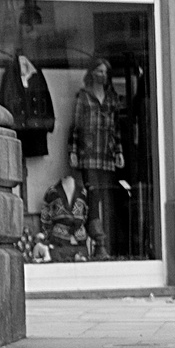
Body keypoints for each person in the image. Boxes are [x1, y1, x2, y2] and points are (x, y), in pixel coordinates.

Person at [68, 58, 123, 259]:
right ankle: (97, 238)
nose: (102, 75)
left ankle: (103, 240)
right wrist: (72, 151)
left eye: (105, 72)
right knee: (93, 193)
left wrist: (119, 151)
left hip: (106, 152)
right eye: (99, 71)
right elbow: (75, 126)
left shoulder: (111, 98)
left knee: (105, 194)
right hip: (89, 151)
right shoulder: (83, 96)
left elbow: (116, 128)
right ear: (92, 73)